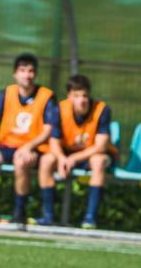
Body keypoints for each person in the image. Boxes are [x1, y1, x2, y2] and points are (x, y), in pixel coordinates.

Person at [0, 53, 58, 223]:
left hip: (33, 149)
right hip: (7, 146)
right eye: (23, 70)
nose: (27, 75)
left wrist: (28, 147)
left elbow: (48, 130)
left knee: (21, 161)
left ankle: (19, 212)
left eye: (31, 71)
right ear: (15, 73)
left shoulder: (46, 96)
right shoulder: (8, 92)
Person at [40, 74, 118, 228]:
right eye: (77, 96)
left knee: (98, 161)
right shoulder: (60, 110)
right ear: (69, 96)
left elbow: (101, 146)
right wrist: (62, 158)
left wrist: (74, 158)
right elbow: (54, 142)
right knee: (46, 160)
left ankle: (90, 218)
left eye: (85, 95)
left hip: (94, 155)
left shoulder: (102, 110)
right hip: (68, 155)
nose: (82, 100)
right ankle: (48, 216)